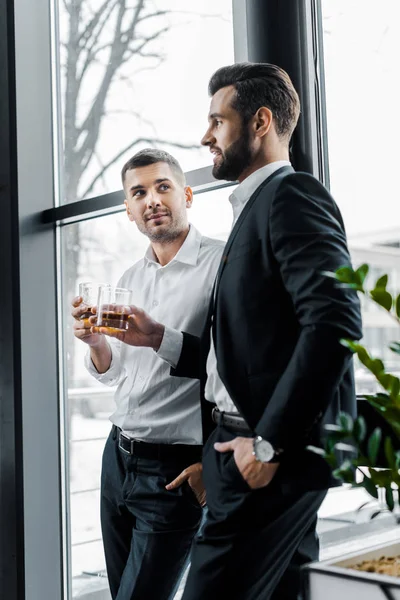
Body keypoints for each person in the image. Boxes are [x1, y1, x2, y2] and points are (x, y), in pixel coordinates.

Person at [96, 63, 363, 600]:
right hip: (237, 449)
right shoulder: (254, 209)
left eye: (217, 122)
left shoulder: (291, 197)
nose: (206, 137)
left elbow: (335, 320)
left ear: (260, 122)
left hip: (261, 454)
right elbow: (244, 356)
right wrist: (154, 339)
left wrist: (267, 445)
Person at [71, 148, 225, 600]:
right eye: (139, 192)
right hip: (117, 458)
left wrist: (159, 336)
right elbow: (116, 373)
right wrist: (95, 342)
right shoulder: (129, 277)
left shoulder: (221, 264)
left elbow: (236, 365)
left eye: (162, 187)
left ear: (187, 195)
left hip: (173, 471)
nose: (151, 200)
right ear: (129, 210)